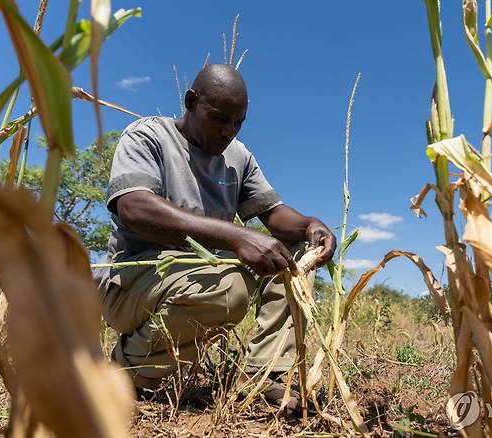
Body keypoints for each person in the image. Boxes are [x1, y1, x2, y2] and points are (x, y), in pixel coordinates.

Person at [100, 64, 336, 407]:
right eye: (219, 118)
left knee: (296, 250)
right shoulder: (147, 136)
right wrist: (236, 237)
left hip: (205, 278)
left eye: (238, 122)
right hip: (134, 282)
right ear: (191, 101)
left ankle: (263, 374)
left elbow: (273, 214)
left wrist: (309, 225)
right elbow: (134, 208)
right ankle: (126, 373)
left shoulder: (238, 157)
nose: (229, 131)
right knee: (231, 287)